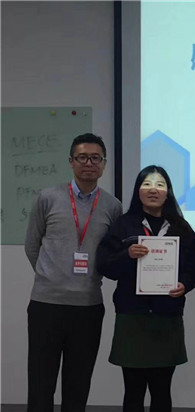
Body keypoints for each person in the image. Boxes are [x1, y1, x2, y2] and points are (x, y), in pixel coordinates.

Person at [24, 133, 122, 412]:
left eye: (95, 158)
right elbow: (32, 245)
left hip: (88, 307)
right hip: (46, 305)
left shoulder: (113, 206)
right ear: (71, 161)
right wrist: (51, 277)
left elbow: (112, 253)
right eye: (82, 157)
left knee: (78, 385)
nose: (89, 163)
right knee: (41, 383)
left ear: (103, 164)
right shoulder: (47, 198)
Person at [96, 165, 195, 412]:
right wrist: (127, 255)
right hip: (132, 317)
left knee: (162, 390)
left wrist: (185, 284)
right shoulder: (123, 225)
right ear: (138, 191)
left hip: (167, 316)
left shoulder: (181, 227)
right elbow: (104, 264)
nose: (154, 190)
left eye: (160, 185)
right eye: (147, 184)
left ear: (168, 192)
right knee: (133, 390)